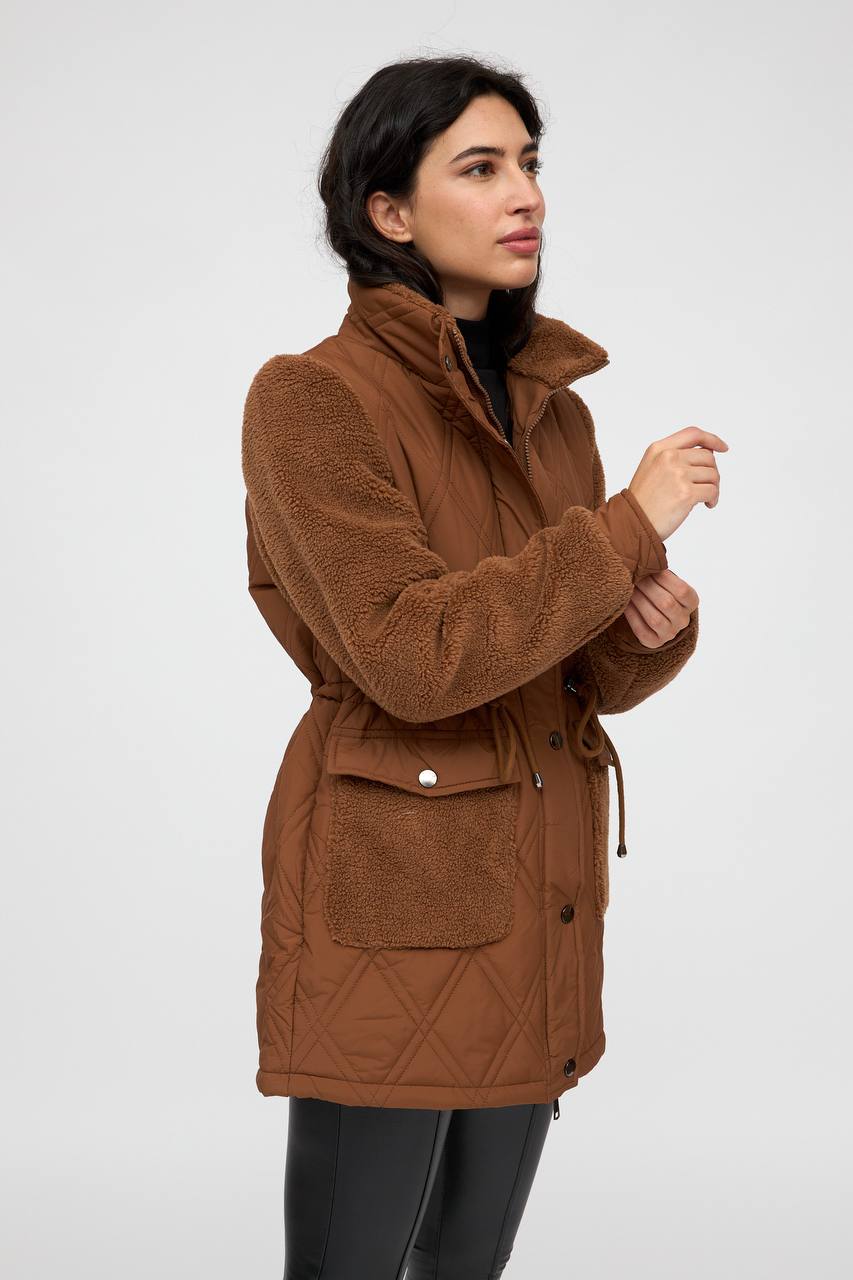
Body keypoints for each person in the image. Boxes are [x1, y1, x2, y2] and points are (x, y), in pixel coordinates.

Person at [241, 54, 726, 1280]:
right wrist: (624, 530)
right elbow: (410, 655)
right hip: (391, 898)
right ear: (388, 212)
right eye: (480, 167)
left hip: (536, 890)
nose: (525, 195)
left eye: (529, 164)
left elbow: (559, 672)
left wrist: (638, 634)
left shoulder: (552, 409)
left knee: (466, 1263)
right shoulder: (311, 400)